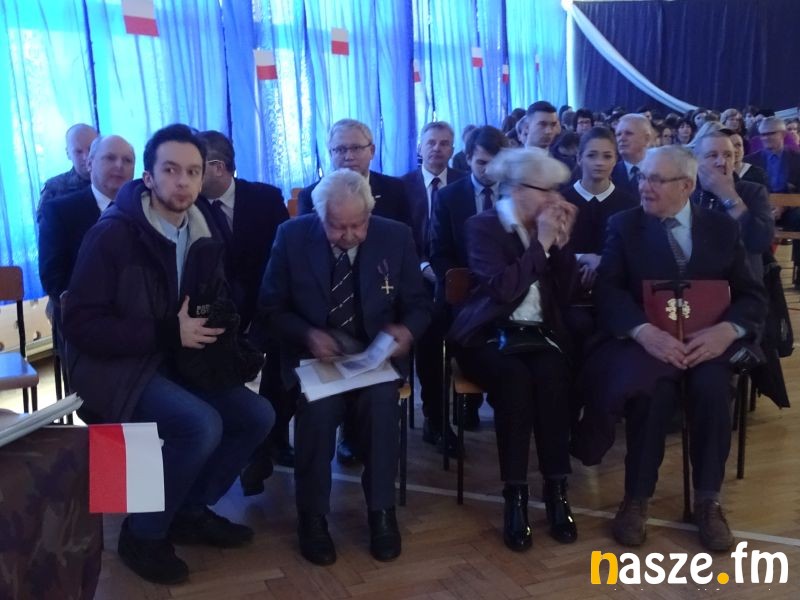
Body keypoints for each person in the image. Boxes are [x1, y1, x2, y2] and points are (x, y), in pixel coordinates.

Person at [62, 124, 275, 585]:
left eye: (193, 172)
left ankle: (187, 510)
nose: (183, 182)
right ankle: (143, 533)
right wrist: (166, 332)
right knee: (200, 425)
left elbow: (213, 296)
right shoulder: (113, 234)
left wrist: (223, 327)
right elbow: (79, 325)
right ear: (149, 177)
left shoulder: (202, 227)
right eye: (171, 170)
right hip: (113, 365)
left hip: (178, 355)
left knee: (257, 415)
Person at [575, 145, 766, 552]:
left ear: (686, 186)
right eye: (643, 177)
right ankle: (636, 498)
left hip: (707, 342)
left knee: (712, 389)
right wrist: (643, 332)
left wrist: (727, 331)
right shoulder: (624, 225)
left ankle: (708, 501)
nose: (645, 186)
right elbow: (608, 292)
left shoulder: (721, 228)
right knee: (653, 390)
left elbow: (751, 295)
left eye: (657, 180)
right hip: (647, 343)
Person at [259, 168, 430, 566]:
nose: (350, 235)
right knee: (318, 413)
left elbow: (420, 305)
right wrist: (307, 334)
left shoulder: (395, 236)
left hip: (375, 357)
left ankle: (382, 513)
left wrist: (406, 330)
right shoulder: (292, 237)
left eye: (358, 225)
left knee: (382, 407)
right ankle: (313, 518)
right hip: (316, 358)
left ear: (370, 214)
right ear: (320, 216)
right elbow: (270, 308)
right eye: (338, 227)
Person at [449, 148, 580, 552]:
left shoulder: (548, 225)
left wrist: (562, 245)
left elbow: (567, 293)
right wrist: (541, 243)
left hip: (538, 334)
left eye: (557, 191)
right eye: (547, 191)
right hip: (489, 334)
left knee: (554, 377)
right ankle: (516, 496)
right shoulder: (483, 226)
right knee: (514, 381)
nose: (555, 200)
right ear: (518, 190)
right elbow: (504, 290)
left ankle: (557, 491)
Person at [195, 130, 293, 484]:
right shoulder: (189, 206)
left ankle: (276, 441)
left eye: (195, 168)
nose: (188, 177)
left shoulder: (265, 199)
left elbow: (284, 260)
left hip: (265, 304)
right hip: (214, 314)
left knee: (280, 362)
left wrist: (260, 311)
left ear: (218, 167)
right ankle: (248, 450)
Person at [429, 125, 510, 430]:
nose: (490, 171)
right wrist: (460, 284)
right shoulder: (449, 196)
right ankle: (450, 411)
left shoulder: (514, 193)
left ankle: (502, 401)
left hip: (505, 290)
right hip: (463, 292)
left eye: (496, 163)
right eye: (482, 163)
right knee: (438, 328)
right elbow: (439, 252)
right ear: (468, 158)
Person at [400, 122, 466, 455]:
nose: (438, 148)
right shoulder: (401, 187)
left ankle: (468, 404)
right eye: (432, 143)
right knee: (429, 331)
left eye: (445, 143)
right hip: (413, 279)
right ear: (419, 148)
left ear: (453, 149)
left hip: (457, 278)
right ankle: (436, 418)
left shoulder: (465, 183)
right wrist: (425, 268)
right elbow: (399, 240)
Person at [39, 134, 135, 305]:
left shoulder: (143, 209)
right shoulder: (59, 212)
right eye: (110, 158)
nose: (119, 165)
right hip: (82, 313)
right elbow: (53, 280)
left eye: (127, 160)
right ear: (90, 164)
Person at [561, 127, 637, 291]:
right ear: (579, 158)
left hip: (616, 289)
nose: (599, 162)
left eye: (607, 156)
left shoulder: (630, 204)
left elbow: (634, 253)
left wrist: (602, 262)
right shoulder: (561, 200)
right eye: (591, 155)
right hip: (565, 288)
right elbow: (550, 250)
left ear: (615, 160)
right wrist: (583, 258)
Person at [691, 130, 774, 279]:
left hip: (741, 277)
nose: (722, 162)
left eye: (728, 155)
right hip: (696, 278)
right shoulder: (686, 193)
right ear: (696, 161)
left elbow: (759, 241)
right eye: (712, 155)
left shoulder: (753, 191)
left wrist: (728, 195)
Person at [297, 118, 410, 225]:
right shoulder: (309, 196)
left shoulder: (395, 189)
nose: (349, 157)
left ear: (372, 151)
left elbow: (406, 235)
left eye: (356, 148)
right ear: (331, 154)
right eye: (340, 149)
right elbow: (308, 237)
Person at [38, 123, 98, 215]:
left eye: (90, 149)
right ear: (68, 154)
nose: (86, 157)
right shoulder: (54, 188)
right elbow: (44, 221)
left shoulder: (114, 180)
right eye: (78, 152)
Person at [612, 113, 653, 199]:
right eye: (618, 134)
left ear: (647, 139)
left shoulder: (661, 172)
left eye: (628, 133)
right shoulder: (609, 173)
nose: (621, 139)